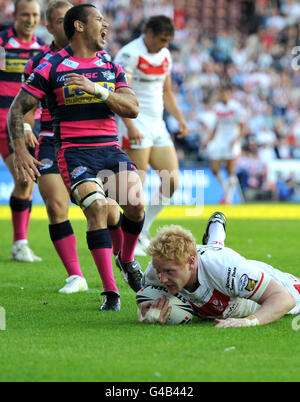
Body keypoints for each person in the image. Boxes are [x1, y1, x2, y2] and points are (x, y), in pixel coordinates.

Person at [7, 4, 145, 310]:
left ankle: (127, 258)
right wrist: (20, 148)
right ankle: (110, 292)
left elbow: (132, 107)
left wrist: (97, 90)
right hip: (73, 152)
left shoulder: (110, 64)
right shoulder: (50, 65)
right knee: (95, 208)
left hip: (110, 149)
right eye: (99, 19)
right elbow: (18, 108)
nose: (106, 25)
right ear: (80, 26)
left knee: (134, 204)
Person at [137, 212, 300, 327]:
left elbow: (284, 299)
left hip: (275, 282)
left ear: (191, 261)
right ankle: (216, 230)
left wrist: (248, 321)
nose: (162, 278)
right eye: (159, 271)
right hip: (218, 270)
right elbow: (145, 295)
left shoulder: (225, 268)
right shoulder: (156, 269)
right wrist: (146, 310)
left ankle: (216, 230)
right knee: (216, 255)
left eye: (170, 272)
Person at [114, 15, 188, 256]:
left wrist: (179, 118)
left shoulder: (165, 55)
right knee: (136, 187)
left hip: (157, 124)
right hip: (135, 123)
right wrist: (129, 125)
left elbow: (166, 91)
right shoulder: (129, 55)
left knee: (173, 180)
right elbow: (119, 93)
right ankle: (127, 237)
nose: (164, 44)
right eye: (162, 39)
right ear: (149, 32)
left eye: (168, 40)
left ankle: (143, 229)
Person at [0, 0, 46, 262]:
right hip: (2, 118)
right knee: (25, 180)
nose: (30, 20)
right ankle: (20, 243)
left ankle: (20, 243)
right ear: (15, 16)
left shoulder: (41, 49)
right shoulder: (3, 45)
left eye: (35, 15)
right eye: (25, 14)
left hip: (24, 122)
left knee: (26, 180)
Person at [202, 85, 247, 204]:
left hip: (232, 140)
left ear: (229, 94)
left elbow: (243, 128)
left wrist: (236, 140)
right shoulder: (217, 108)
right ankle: (226, 188)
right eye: (221, 94)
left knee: (230, 170)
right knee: (214, 169)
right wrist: (208, 140)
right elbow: (215, 126)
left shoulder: (236, 108)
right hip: (219, 141)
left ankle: (229, 198)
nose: (222, 96)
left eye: (224, 93)